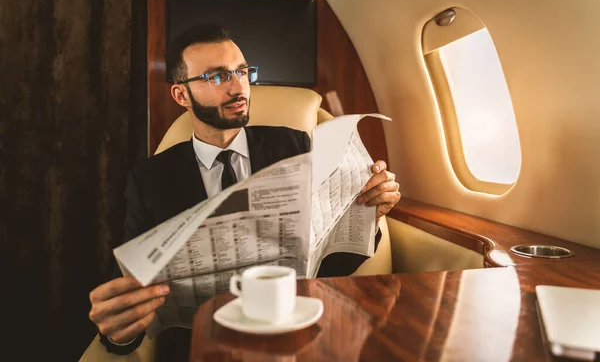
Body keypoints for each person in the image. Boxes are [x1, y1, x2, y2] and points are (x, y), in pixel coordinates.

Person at [88, 24, 401, 357]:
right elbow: (127, 297)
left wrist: (368, 215)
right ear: (181, 95)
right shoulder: (148, 179)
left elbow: (328, 265)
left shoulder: (294, 145)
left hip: (290, 334)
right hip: (202, 346)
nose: (239, 88)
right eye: (217, 77)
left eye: (241, 71)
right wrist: (119, 331)